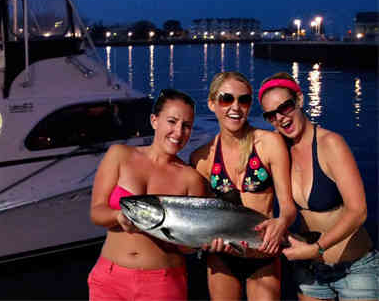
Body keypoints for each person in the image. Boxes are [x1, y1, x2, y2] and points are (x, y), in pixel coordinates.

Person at [258, 72, 377, 301]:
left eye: (285, 107)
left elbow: (358, 211)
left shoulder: (330, 143)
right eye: (271, 115)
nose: (281, 118)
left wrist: (317, 248)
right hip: (310, 273)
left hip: (355, 270)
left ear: (300, 100)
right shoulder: (280, 149)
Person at [88, 88, 208, 301]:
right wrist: (117, 217)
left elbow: (187, 248)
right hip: (109, 281)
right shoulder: (119, 155)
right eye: (172, 121)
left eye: (186, 126)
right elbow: (97, 212)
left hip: (163, 285)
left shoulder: (192, 179)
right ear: (154, 120)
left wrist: (201, 242)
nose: (178, 132)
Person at [190, 71, 296, 301]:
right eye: (226, 99)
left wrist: (282, 222)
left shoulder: (269, 143)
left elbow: (288, 207)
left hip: (263, 255)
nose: (235, 107)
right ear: (212, 103)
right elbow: (203, 215)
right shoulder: (202, 158)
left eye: (244, 100)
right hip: (221, 257)